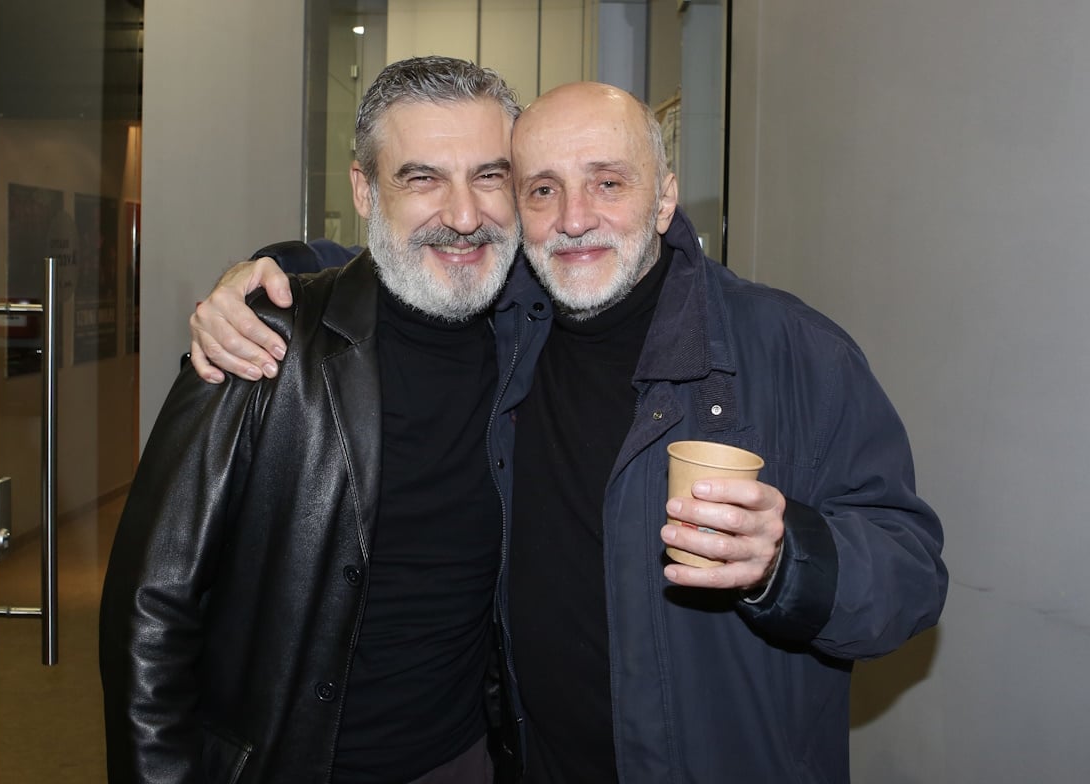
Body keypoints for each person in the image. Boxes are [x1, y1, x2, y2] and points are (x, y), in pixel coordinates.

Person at [191, 82, 947, 783]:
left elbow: (910, 578)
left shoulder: (790, 350)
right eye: (542, 190)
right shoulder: (510, 323)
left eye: (608, 183)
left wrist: (786, 559)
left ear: (664, 197)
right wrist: (273, 274)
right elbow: (408, 256)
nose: (574, 219)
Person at [99, 56, 523, 784]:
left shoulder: (531, 343)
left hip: (465, 761)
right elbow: (151, 607)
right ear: (364, 189)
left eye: (489, 176)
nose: (463, 216)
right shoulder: (264, 340)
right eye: (422, 178)